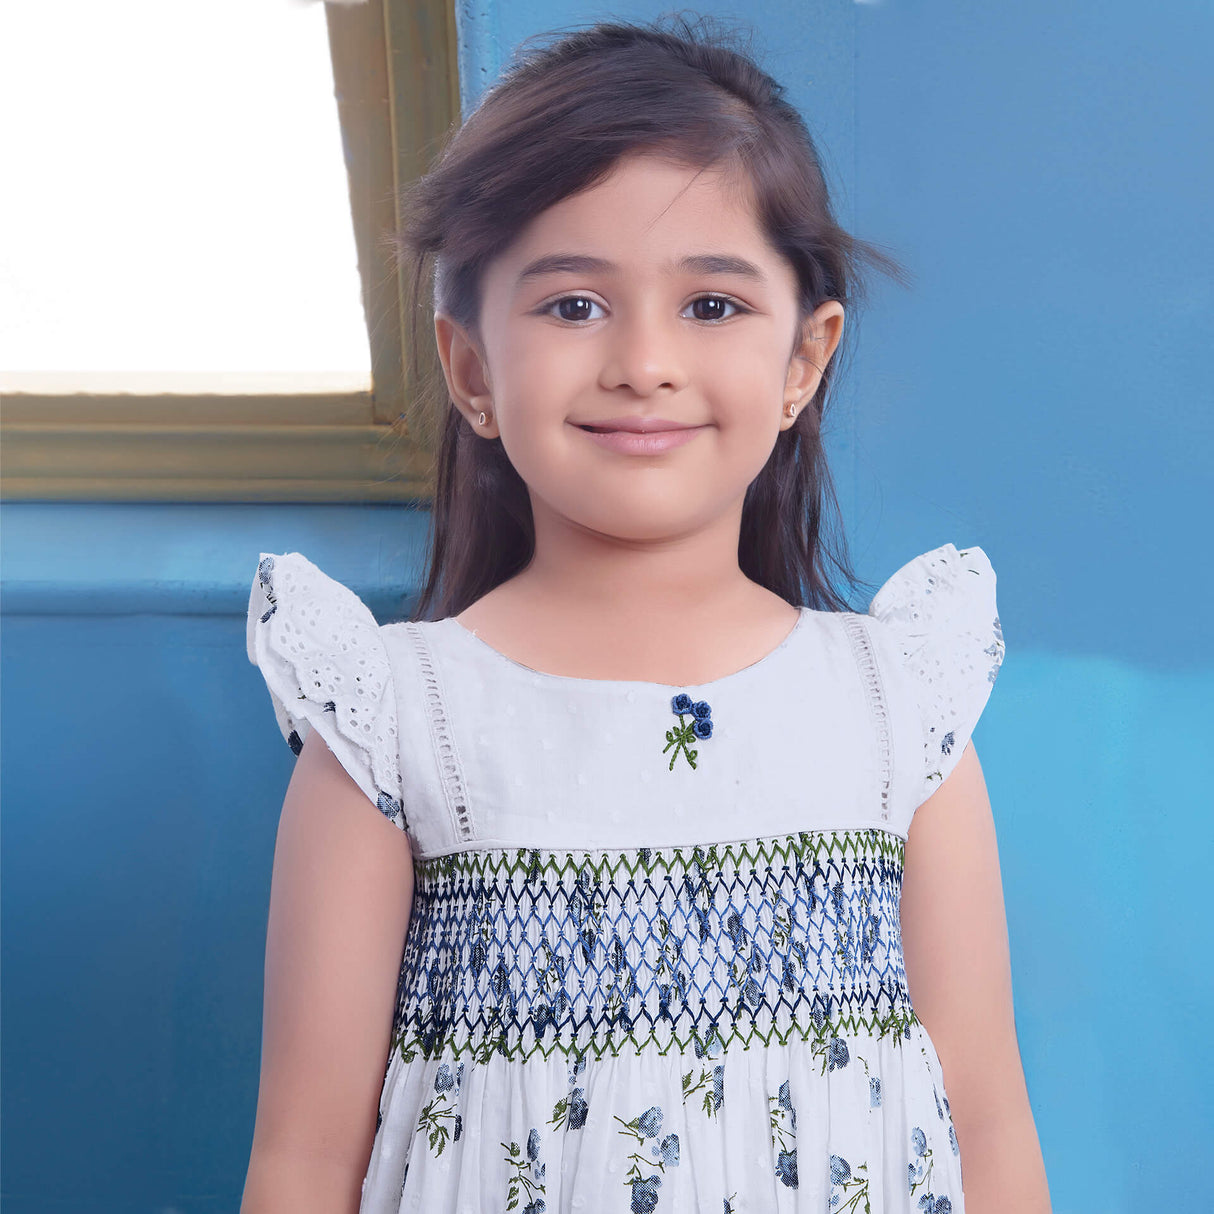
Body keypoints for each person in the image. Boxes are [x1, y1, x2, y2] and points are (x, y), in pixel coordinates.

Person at [241, 16, 1051, 1214]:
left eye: (710, 305)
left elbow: (984, 1120)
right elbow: (306, 1157)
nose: (643, 362)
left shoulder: (895, 708)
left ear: (803, 359)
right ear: (470, 368)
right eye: (572, 305)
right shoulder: (393, 723)